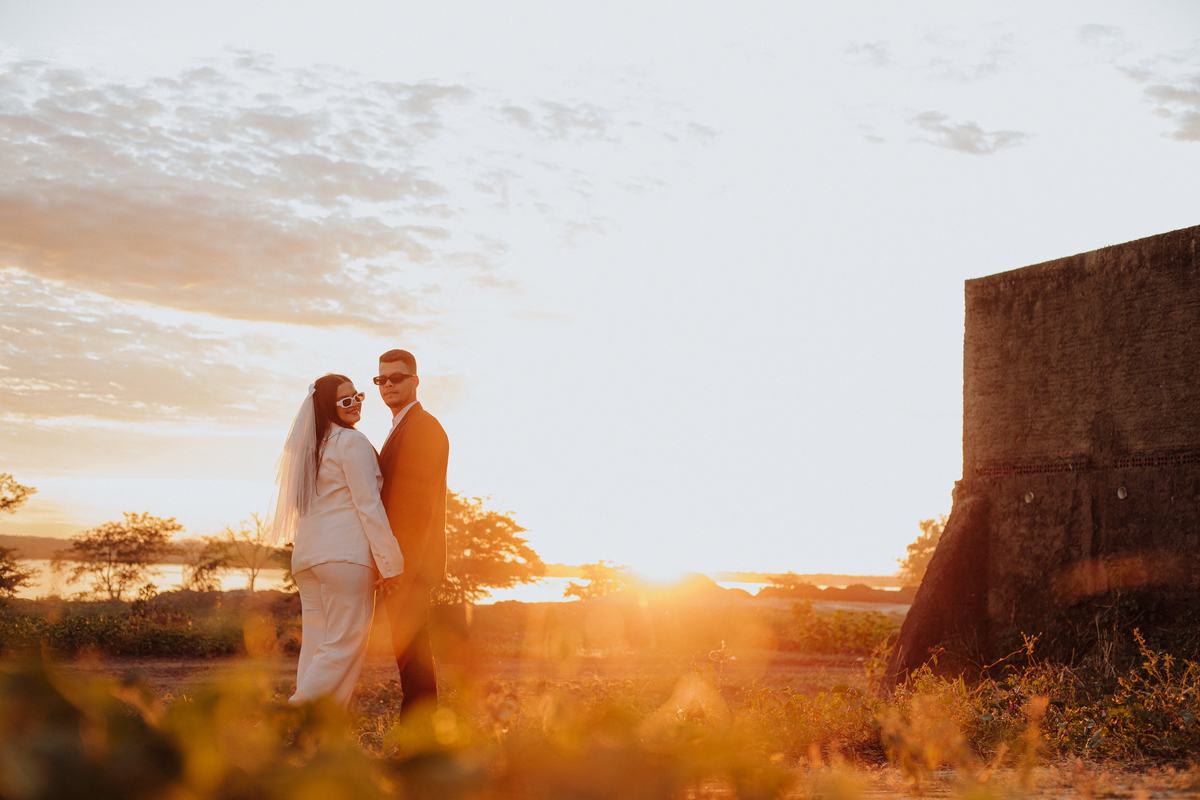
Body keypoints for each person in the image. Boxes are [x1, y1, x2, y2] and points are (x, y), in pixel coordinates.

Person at [269, 373, 405, 708]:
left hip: (307, 561)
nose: (355, 404)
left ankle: (314, 735)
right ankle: (286, 721)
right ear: (328, 407)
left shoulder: (311, 450)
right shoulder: (351, 442)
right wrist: (391, 563)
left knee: (318, 648)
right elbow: (368, 505)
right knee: (344, 645)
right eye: (345, 400)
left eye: (358, 396)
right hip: (346, 558)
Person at [374, 349, 450, 715]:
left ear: (415, 380)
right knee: (410, 654)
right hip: (405, 562)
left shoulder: (423, 428)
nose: (387, 385)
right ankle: (422, 731)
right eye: (381, 379)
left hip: (409, 564)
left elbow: (414, 507)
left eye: (396, 377)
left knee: (414, 654)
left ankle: (421, 733)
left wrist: (395, 566)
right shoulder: (403, 425)